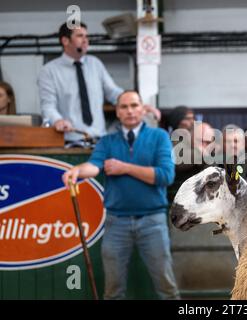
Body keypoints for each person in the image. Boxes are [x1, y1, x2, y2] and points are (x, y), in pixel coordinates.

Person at [62, 90, 179, 300]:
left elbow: (165, 176)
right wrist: (77, 171)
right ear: (117, 112)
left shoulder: (159, 137)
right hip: (116, 223)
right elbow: (94, 166)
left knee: (167, 287)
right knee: (113, 291)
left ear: (143, 109)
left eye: (134, 105)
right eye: (124, 107)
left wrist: (124, 167)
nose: (130, 111)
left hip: (153, 221)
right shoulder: (107, 142)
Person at [38, 22, 123, 142]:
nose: (85, 40)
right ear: (65, 41)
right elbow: (48, 106)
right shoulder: (49, 71)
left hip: (100, 140)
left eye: (86, 36)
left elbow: (113, 92)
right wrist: (58, 120)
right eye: (80, 36)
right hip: (69, 141)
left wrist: (135, 102)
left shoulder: (95, 64)